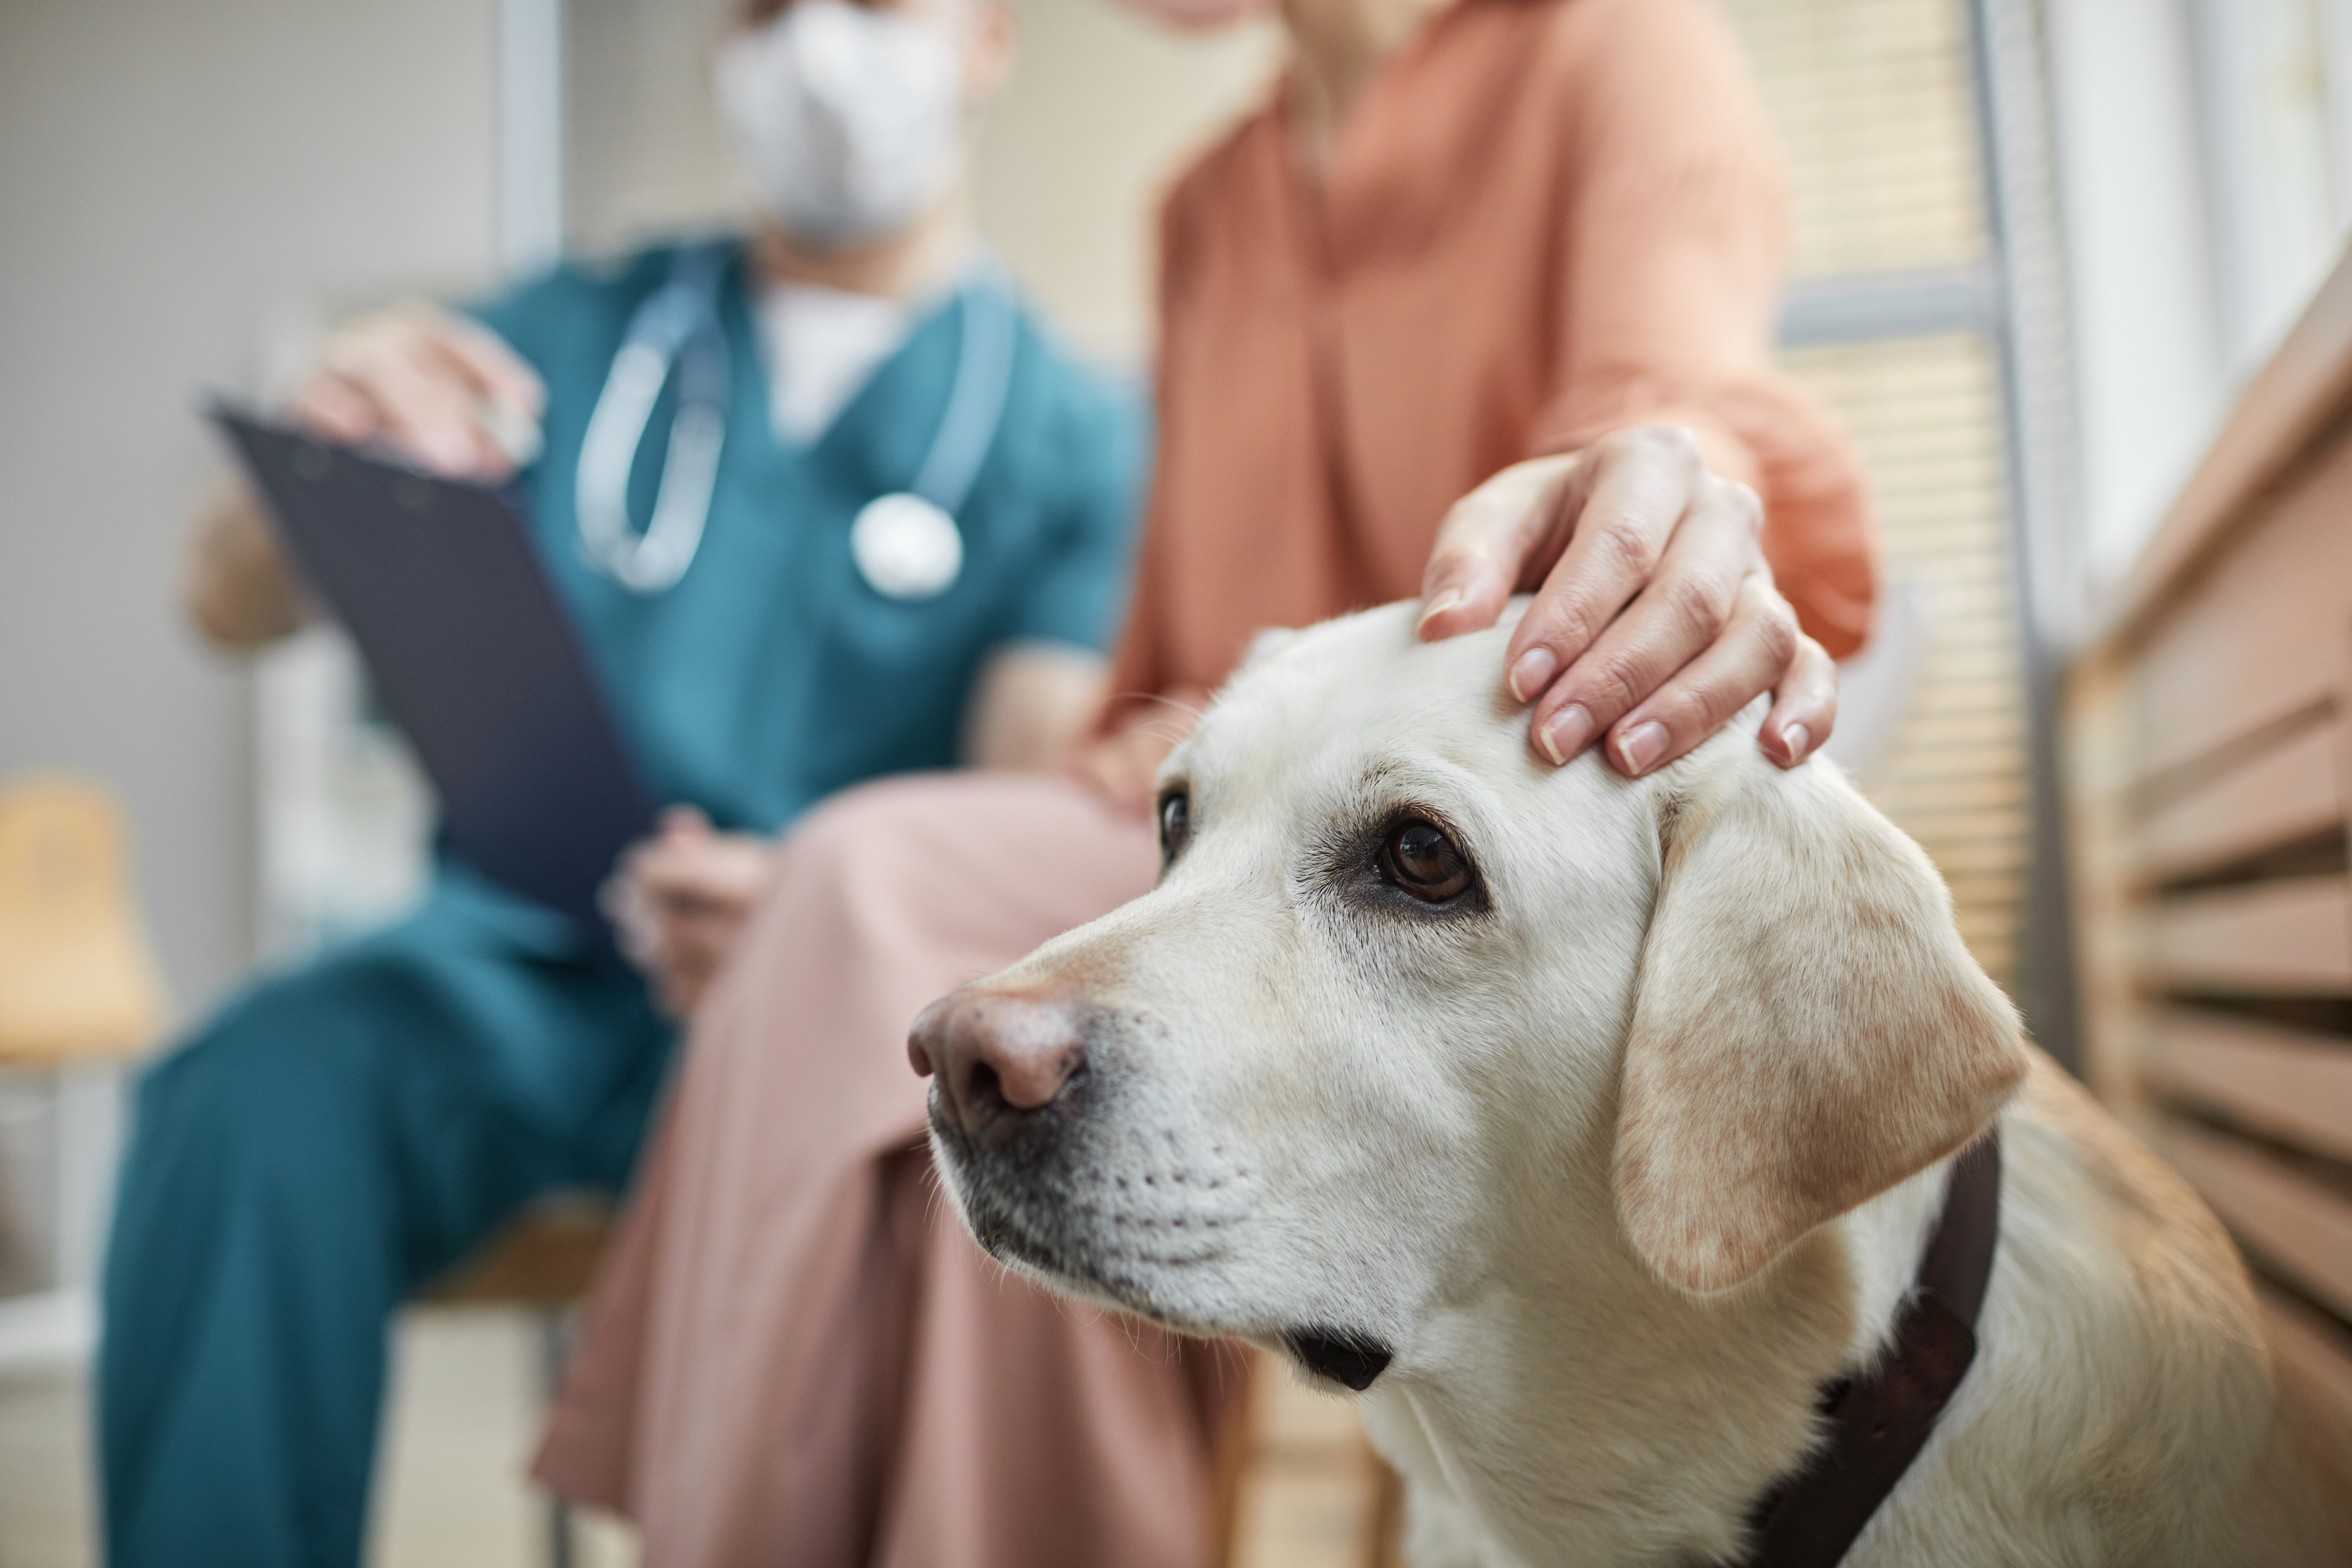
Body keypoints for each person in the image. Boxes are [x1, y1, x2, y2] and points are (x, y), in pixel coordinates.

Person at [527, 0, 1876, 1563]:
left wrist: (1667, 479)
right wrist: (917, 880)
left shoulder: (1611, 47)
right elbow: (1169, 686)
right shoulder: (1203, 207)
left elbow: (1677, 391)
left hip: (1472, 844)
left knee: (869, 901)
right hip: (1207, 823)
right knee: (869, 924)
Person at [98, 0, 1144, 1560]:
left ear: (988, 35)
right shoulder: (574, 338)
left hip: (827, 1016)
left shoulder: (1071, 435)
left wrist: (810, 919)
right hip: (512, 983)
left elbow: (1017, 795)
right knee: (245, 1090)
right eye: (767, 10)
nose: (816, 52)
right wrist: (324, 434)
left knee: (923, 1209)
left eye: (870, 7)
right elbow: (219, 598)